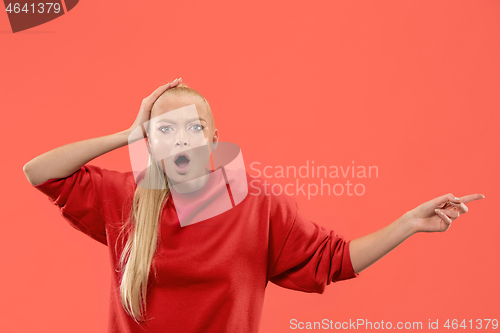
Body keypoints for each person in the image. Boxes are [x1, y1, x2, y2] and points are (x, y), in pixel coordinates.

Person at [23, 78, 485, 333]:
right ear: (150, 141)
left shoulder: (256, 204)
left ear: (214, 140)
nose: (180, 138)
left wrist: (408, 223)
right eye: (164, 129)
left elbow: (333, 260)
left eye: (192, 127)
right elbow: (39, 171)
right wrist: (125, 135)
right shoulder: (126, 197)